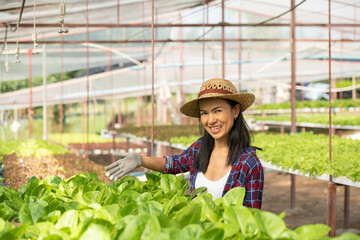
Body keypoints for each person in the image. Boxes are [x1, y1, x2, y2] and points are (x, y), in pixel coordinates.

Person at [105, 78, 264, 209]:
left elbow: (249, 219)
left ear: (235, 111)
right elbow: (173, 164)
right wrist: (140, 160)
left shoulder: (249, 164)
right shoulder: (199, 148)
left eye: (218, 111)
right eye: (204, 113)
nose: (211, 120)